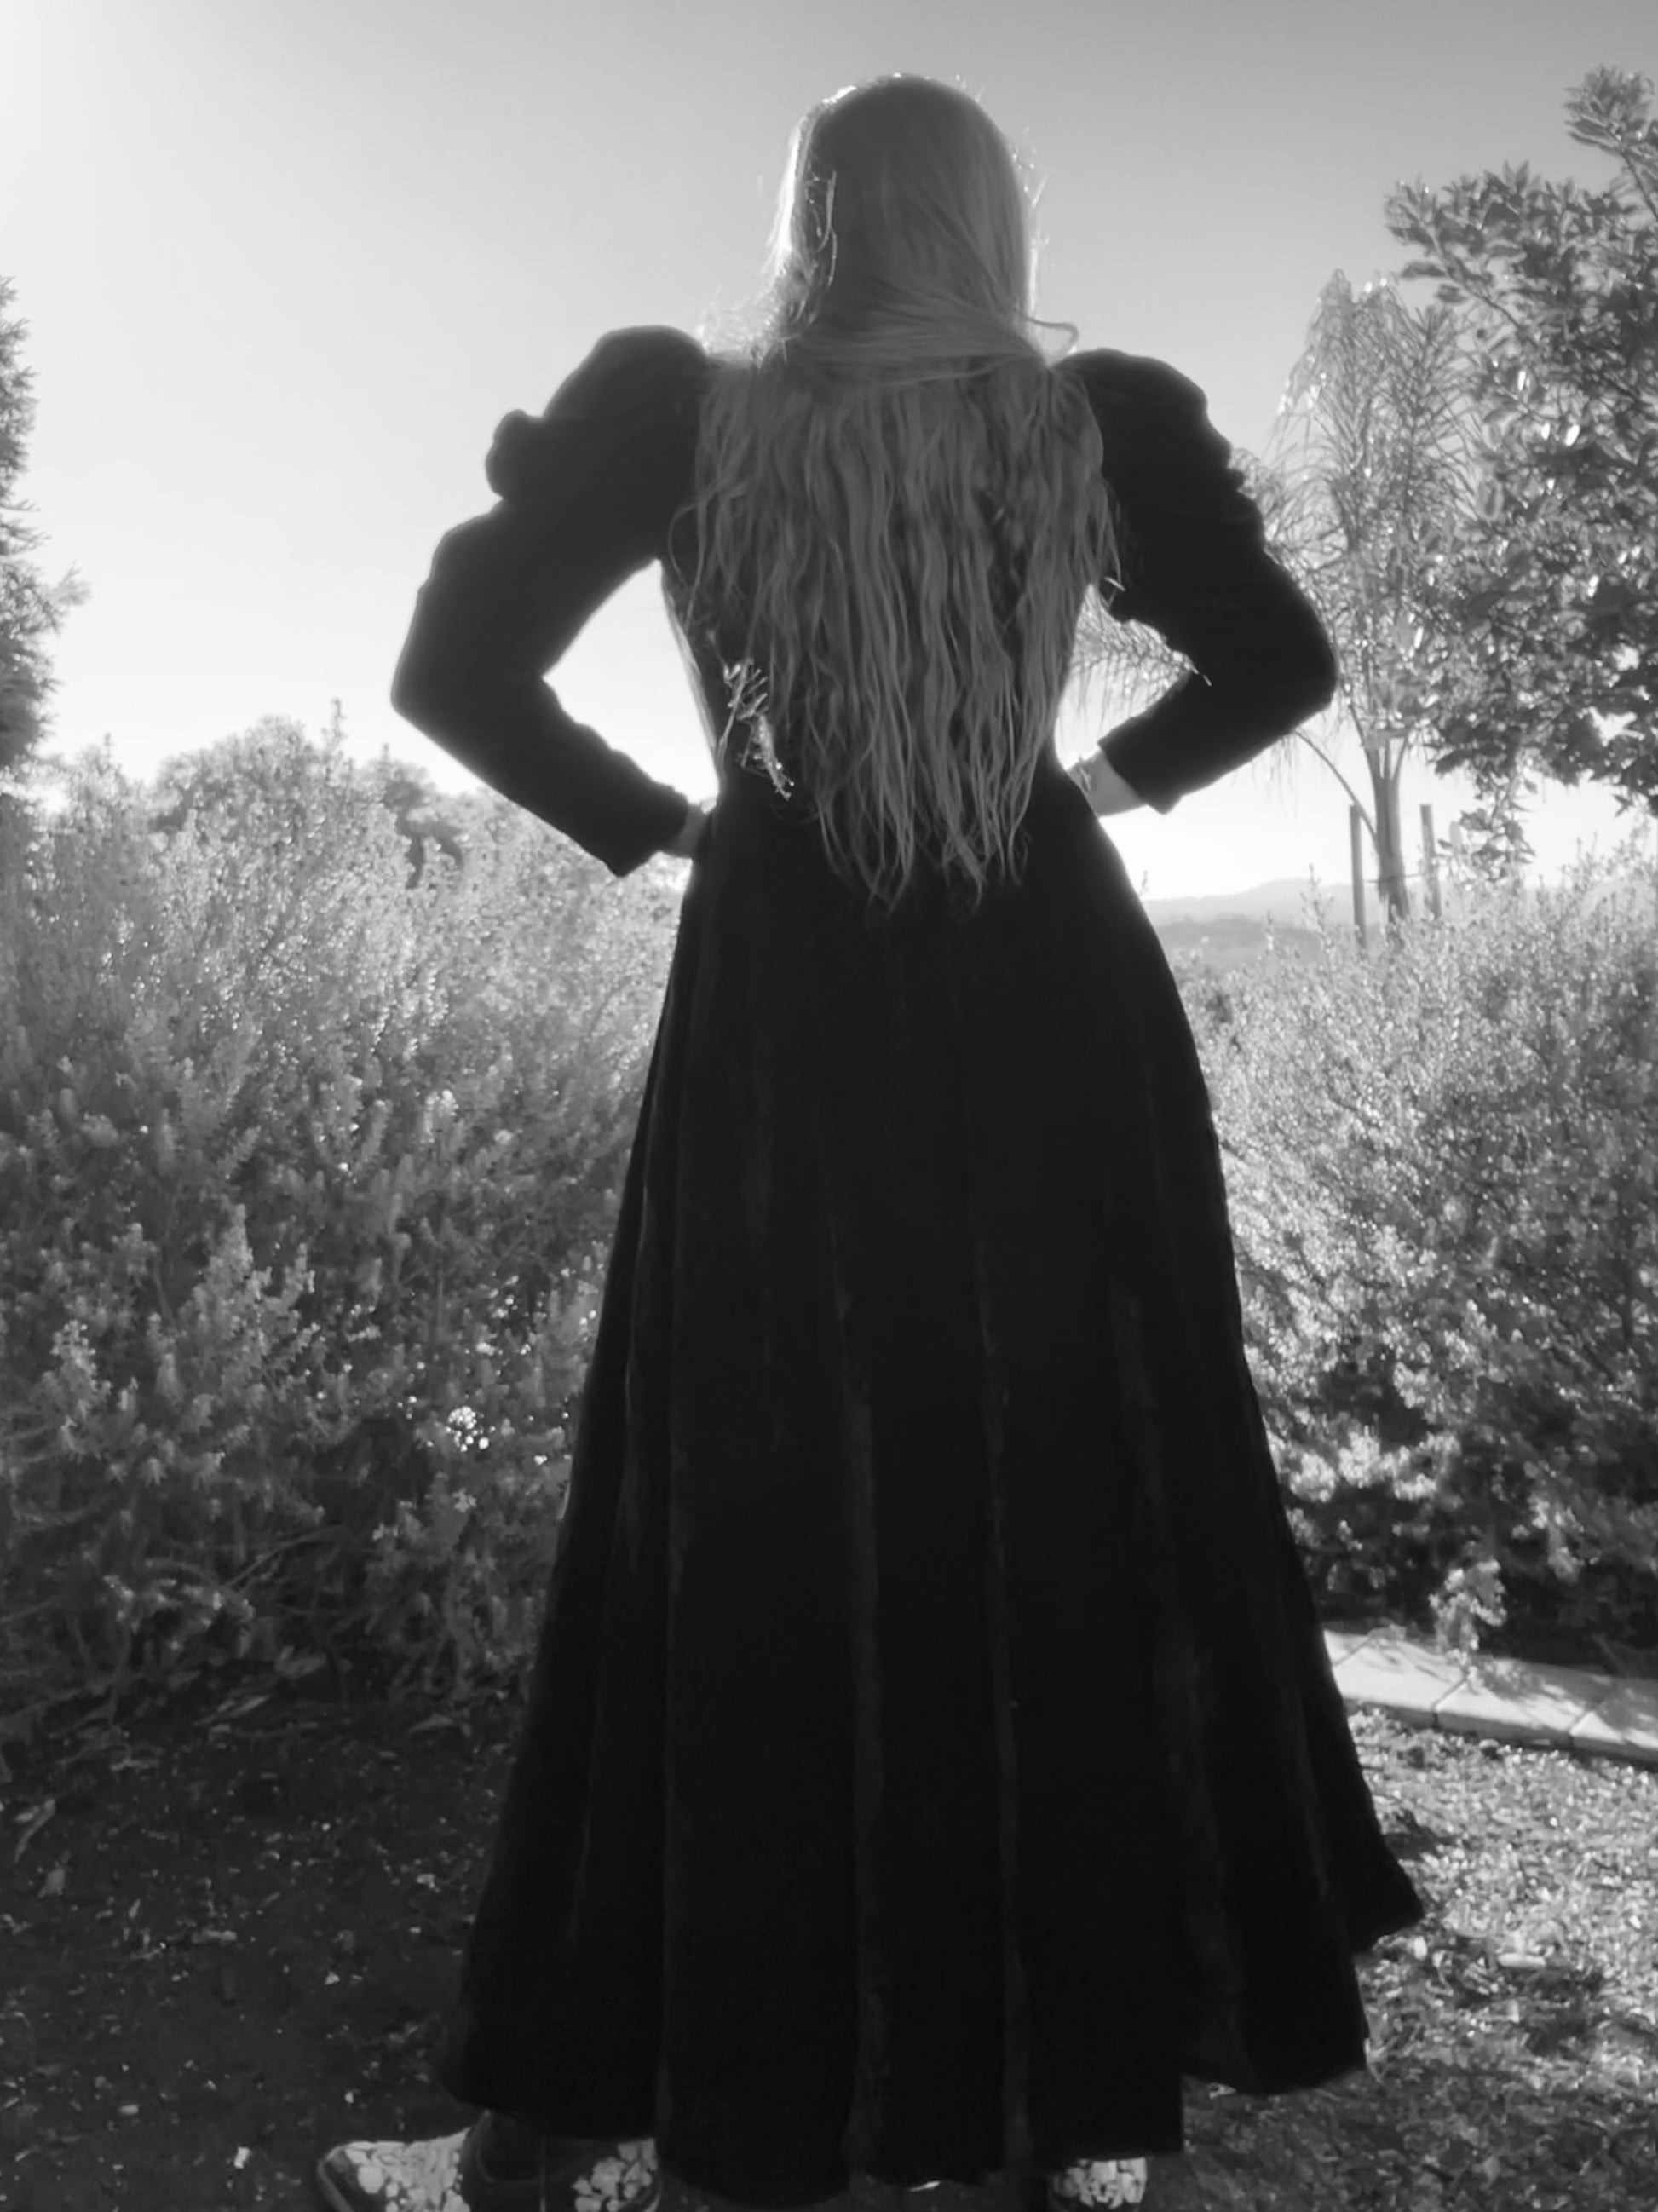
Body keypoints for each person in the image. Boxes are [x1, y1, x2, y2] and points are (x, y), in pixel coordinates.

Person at [315, 73, 1422, 2212]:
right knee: (1072, 1476)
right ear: (991, 221)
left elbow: (454, 669)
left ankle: (584, 2123)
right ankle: (1032, 2119)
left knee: (739, 1506)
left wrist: (669, 825)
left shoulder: (683, 414)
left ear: (809, 216)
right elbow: (1278, 658)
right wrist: (1093, 790)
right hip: (1047, 998)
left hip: (787, 1000)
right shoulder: (1087, 420)